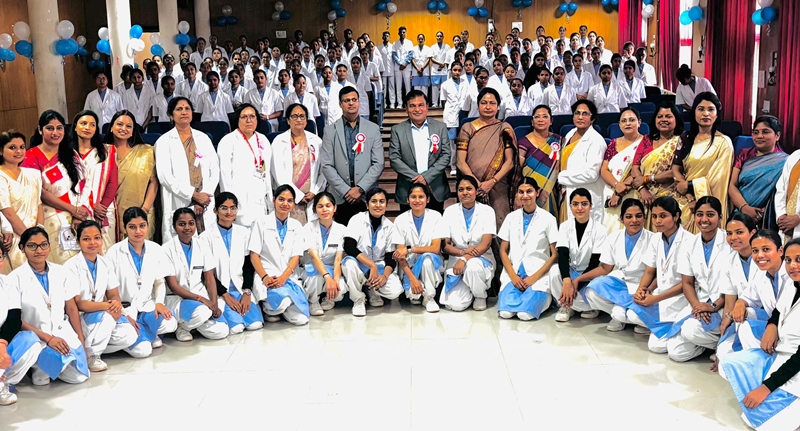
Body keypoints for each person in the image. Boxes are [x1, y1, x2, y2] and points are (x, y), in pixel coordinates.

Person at [718, 237, 800, 431]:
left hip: (796, 363)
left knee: (768, 425)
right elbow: (779, 310)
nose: (792, 266)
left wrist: (766, 387)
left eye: (799, 259)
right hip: (781, 353)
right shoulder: (793, 284)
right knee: (726, 365)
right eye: (788, 260)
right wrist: (772, 325)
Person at [11, 227, 89, 386]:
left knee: (79, 377)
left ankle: (47, 366)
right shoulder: (14, 279)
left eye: (43, 245)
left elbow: (71, 308)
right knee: (42, 380)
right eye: (32, 246)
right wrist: (49, 339)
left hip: (62, 333)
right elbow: (16, 320)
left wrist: (81, 340)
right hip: (37, 337)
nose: (39, 250)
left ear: (49, 246)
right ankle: (38, 366)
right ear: (22, 248)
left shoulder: (61, 272)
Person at [66, 220, 141, 371]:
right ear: (78, 242)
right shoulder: (70, 267)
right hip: (81, 318)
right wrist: (107, 306)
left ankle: (93, 349)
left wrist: (120, 309)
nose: (92, 243)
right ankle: (92, 356)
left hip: (101, 316)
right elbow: (79, 304)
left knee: (130, 335)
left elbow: (114, 295)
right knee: (107, 317)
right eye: (86, 239)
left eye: (97, 238)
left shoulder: (105, 263)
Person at [664, 196, 730, 362]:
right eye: (700, 214)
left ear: (720, 217)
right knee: (676, 352)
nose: (704, 219)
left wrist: (712, 307)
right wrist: (698, 306)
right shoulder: (689, 244)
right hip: (699, 302)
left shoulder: (730, 242)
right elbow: (687, 282)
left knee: (690, 329)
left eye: (710, 214)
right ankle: (713, 344)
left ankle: (725, 343)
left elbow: (734, 286)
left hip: (723, 304)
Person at [575, 198, 655, 331]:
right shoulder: (614, 237)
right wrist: (579, 279)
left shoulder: (654, 239)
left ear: (645, 218)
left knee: (621, 312)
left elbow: (652, 272)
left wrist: (645, 290)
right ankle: (622, 316)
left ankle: (623, 315)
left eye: (638, 216)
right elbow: (605, 268)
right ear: (621, 219)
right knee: (592, 290)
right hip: (621, 282)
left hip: (643, 285)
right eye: (629, 217)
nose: (634, 220)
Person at [23, 110, 92, 264]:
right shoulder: (31, 157)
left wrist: (79, 211)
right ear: (40, 129)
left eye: (59, 128)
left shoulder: (71, 154)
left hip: (79, 216)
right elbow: (40, 192)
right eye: (50, 128)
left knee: (83, 263)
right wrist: (72, 209)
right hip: (51, 217)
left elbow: (85, 183)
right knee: (62, 264)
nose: (55, 132)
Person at [106, 207, 178, 355]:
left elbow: (159, 281)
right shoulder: (114, 252)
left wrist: (159, 303)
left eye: (142, 226)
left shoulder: (155, 249)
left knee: (170, 323)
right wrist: (123, 313)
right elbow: (109, 289)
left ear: (147, 225)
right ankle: (142, 335)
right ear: (125, 228)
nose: (138, 231)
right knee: (143, 352)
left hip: (146, 306)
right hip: (125, 309)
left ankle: (145, 332)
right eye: (132, 227)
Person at [627, 196, 695, 350]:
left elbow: (687, 283)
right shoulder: (656, 239)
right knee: (632, 314)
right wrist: (643, 290)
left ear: (676, 216)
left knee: (657, 347)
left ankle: (679, 332)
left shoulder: (689, 241)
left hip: (682, 298)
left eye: (663, 216)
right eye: (655, 216)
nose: (657, 221)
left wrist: (655, 298)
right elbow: (650, 271)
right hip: (660, 295)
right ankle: (664, 328)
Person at [155, 97, 219, 242]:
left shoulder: (203, 138)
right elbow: (165, 177)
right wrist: (192, 195)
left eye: (187, 109)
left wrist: (204, 195)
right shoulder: (164, 142)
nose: (184, 112)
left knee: (207, 244)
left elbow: (214, 170)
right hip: (180, 199)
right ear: (171, 115)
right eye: (179, 109)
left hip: (205, 200)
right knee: (180, 244)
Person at [719, 228, 786, 366]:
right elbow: (747, 297)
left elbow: (785, 306)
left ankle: (766, 365)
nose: (760, 255)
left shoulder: (791, 273)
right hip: (776, 324)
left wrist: (773, 325)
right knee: (744, 315)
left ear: (780, 251)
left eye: (766, 249)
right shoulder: (762, 274)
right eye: (755, 251)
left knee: (744, 332)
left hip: (791, 329)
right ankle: (762, 361)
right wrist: (739, 304)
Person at [496, 177, 559, 320]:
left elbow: (555, 255)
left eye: (529, 191)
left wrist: (533, 278)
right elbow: (503, 250)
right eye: (521, 192)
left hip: (538, 276)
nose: (525, 196)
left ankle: (546, 299)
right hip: (514, 274)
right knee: (505, 313)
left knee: (525, 315)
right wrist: (513, 276)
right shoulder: (511, 217)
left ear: (537, 192)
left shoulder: (548, 219)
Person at [200, 193, 263, 334]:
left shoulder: (244, 233)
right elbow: (207, 274)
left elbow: (248, 266)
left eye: (233, 208)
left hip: (241, 288)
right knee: (236, 328)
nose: (229, 212)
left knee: (256, 325)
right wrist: (225, 295)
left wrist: (247, 292)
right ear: (215, 210)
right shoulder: (205, 238)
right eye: (224, 208)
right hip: (220, 291)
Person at [319, 87, 384, 224]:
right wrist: (345, 190)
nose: (351, 103)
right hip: (340, 196)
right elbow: (326, 165)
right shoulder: (330, 131)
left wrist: (360, 189)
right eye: (346, 100)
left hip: (366, 196)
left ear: (359, 102)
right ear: (340, 104)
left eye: (354, 100)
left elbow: (378, 163)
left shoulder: (373, 129)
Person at [162, 208, 229, 341]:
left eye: (191, 223)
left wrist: (214, 303)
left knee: (222, 331)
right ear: (174, 226)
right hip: (179, 298)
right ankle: (183, 327)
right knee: (203, 312)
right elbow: (174, 286)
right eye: (182, 224)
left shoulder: (202, 245)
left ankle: (190, 324)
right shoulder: (166, 249)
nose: (187, 228)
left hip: (200, 295)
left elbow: (209, 279)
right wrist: (202, 300)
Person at [456, 87, 518, 230]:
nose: (488, 107)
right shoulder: (467, 128)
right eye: (484, 103)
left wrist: (492, 182)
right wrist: (476, 184)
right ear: (478, 105)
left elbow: (509, 162)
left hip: (498, 185)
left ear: (498, 106)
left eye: (492, 103)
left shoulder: (504, 128)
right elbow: (460, 161)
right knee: (472, 228)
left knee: (500, 225)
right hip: (472, 187)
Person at [672, 92, 733, 233]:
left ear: (716, 114)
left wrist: (689, 185)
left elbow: (719, 179)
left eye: (710, 109)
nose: (706, 113)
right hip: (683, 197)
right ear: (694, 112)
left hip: (708, 200)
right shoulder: (686, 137)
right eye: (701, 109)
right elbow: (676, 167)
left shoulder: (724, 143)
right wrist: (688, 195)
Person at [249, 185, 309, 326]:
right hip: (267, 276)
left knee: (302, 320)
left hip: (288, 277)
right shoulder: (261, 222)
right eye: (281, 199)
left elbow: (296, 256)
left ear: (293, 204)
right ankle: (270, 310)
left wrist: (283, 278)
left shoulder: (296, 226)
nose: (285, 204)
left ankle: (277, 310)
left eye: (289, 201)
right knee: (283, 302)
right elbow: (254, 255)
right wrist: (265, 277)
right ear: (274, 200)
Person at [341, 188, 403, 316]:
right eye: (374, 201)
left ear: (386, 205)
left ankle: (372, 290)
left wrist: (384, 277)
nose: (378, 205)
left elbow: (390, 258)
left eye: (382, 201)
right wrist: (371, 265)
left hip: (379, 266)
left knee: (395, 291)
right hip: (359, 263)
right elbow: (349, 247)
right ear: (367, 205)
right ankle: (358, 299)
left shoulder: (390, 226)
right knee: (349, 264)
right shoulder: (357, 220)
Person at [550, 188, 608, 322]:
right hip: (571, 272)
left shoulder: (600, 230)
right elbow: (563, 255)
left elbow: (595, 263)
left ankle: (582, 306)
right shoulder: (565, 226)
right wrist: (567, 282)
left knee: (596, 286)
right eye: (575, 204)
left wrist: (574, 285)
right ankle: (567, 305)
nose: (580, 208)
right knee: (554, 271)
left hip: (590, 274)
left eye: (584, 204)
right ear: (570, 206)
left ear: (591, 206)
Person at [389, 91, 451, 214]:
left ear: (427, 106)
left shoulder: (440, 127)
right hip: (407, 188)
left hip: (435, 187)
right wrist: (416, 178)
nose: (417, 109)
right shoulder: (397, 130)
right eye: (412, 106)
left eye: (421, 105)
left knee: (435, 224)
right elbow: (394, 158)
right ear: (406, 108)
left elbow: (446, 155)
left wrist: (426, 177)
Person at [439, 176, 496, 312]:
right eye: (461, 190)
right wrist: (462, 253)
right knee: (455, 305)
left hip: (481, 258)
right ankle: (470, 289)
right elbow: (445, 245)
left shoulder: (487, 211)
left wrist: (465, 258)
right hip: (457, 260)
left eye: (469, 189)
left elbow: (486, 244)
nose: (465, 193)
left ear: (476, 191)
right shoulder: (449, 212)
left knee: (473, 267)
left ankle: (480, 295)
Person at [103, 111, 158, 241]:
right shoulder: (101, 152)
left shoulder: (146, 151)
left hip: (141, 212)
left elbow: (153, 182)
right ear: (111, 127)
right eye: (119, 124)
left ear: (133, 131)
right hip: (109, 214)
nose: (124, 129)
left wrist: (144, 210)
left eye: (129, 126)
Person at [216, 104, 271, 229]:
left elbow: (266, 172)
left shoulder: (263, 140)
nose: (249, 120)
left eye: (252, 116)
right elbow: (224, 176)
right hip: (239, 199)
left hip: (260, 199)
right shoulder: (228, 141)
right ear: (237, 120)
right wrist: (229, 204)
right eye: (244, 117)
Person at [391, 183, 444, 313]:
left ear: (428, 199)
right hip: (409, 266)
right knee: (414, 296)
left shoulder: (436, 216)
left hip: (430, 264)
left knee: (427, 259)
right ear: (407, 200)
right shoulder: (400, 220)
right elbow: (400, 254)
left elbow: (436, 248)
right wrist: (413, 279)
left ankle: (429, 297)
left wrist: (410, 249)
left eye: (421, 197)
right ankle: (419, 290)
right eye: (413, 197)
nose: (417, 200)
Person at [631, 102, 685, 229]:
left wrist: (648, 179)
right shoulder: (647, 140)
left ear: (676, 120)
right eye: (660, 116)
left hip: (672, 192)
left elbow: (678, 171)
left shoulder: (682, 141)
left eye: (668, 116)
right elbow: (635, 167)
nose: (663, 120)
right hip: (643, 193)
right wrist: (642, 190)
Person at [716, 214, 761, 363]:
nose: (733, 237)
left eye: (739, 232)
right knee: (723, 355)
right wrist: (721, 337)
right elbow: (729, 303)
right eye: (729, 233)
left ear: (753, 233)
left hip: (764, 315)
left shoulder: (764, 258)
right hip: (739, 316)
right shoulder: (728, 261)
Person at [71, 111, 118, 252]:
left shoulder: (107, 151)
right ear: (75, 126)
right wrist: (90, 206)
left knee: (105, 251)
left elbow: (112, 182)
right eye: (83, 123)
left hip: (103, 211)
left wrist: (101, 207)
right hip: (76, 210)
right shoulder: (67, 153)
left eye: (92, 125)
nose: (88, 127)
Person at [271, 104, 326, 224]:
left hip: (311, 197)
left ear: (306, 120)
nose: (299, 119)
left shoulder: (316, 141)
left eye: (302, 116)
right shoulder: (279, 141)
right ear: (288, 120)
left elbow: (323, 170)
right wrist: (297, 195)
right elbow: (278, 173)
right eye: (295, 116)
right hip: (289, 197)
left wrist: (315, 191)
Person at [730, 116, 786, 230]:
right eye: (756, 132)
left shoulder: (786, 162)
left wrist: (768, 210)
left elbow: (786, 193)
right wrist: (745, 208)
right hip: (740, 214)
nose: (759, 136)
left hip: (768, 217)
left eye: (765, 132)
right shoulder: (743, 155)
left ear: (777, 136)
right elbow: (732, 185)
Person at [558, 100, 607, 223]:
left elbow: (591, 174)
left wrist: (561, 177)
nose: (580, 117)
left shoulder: (596, 141)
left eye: (585, 114)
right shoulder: (570, 134)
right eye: (577, 113)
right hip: (568, 192)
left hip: (586, 194)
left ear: (592, 118)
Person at [600, 108, 648, 232]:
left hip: (633, 191)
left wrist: (621, 191)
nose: (627, 123)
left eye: (632, 120)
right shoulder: (613, 143)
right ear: (619, 125)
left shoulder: (646, 143)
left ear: (639, 123)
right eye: (624, 121)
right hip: (611, 191)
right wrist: (617, 185)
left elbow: (641, 170)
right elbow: (604, 169)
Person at [0, 131, 43, 269]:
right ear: (0, 151)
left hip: (35, 237)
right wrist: (28, 238)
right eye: (12, 147)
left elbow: (38, 204)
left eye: (22, 147)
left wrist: (39, 233)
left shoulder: (33, 174)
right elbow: (7, 211)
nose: (18, 151)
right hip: (12, 237)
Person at [301, 192, 347, 316]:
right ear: (315, 210)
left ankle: (329, 298)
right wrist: (327, 278)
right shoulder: (308, 228)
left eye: (328, 205)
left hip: (331, 268)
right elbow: (314, 256)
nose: (324, 209)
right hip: (312, 267)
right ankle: (313, 301)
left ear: (334, 208)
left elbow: (338, 259)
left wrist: (335, 280)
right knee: (315, 277)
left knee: (340, 288)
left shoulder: (342, 230)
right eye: (320, 206)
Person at [517, 105, 562, 219]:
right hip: (527, 193)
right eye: (537, 117)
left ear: (551, 121)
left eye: (545, 116)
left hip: (550, 191)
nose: (541, 120)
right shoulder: (524, 143)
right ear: (532, 122)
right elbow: (517, 172)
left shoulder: (559, 141)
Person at [440, 61, 468, 173]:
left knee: (462, 141)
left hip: (463, 115)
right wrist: (449, 112)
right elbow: (443, 101)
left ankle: (462, 164)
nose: (457, 72)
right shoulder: (445, 85)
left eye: (459, 70)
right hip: (450, 116)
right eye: (455, 70)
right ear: (451, 71)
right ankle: (453, 166)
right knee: (452, 144)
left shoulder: (466, 83)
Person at [429, 31, 449, 109]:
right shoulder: (432, 47)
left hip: (444, 70)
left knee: (443, 87)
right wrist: (440, 63)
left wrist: (443, 64)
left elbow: (448, 57)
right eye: (438, 36)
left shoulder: (447, 47)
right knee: (435, 87)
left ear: (443, 37)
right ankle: (434, 103)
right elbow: (431, 58)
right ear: (436, 37)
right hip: (435, 70)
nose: (439, 37)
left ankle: (441, 103)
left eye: (440, 36)